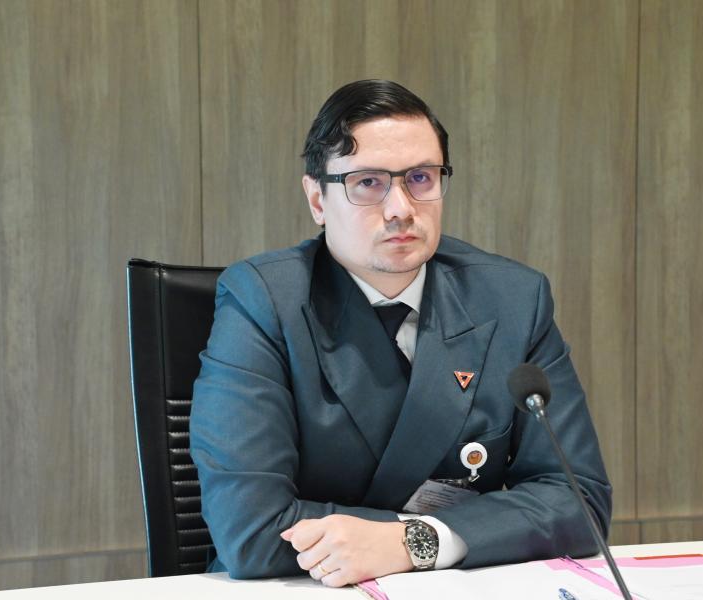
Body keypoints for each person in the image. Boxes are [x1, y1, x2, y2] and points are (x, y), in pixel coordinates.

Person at [189, 79, 611, 587]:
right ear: (318, 199)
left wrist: (414, 541)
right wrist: (473, 530)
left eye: (420, 178)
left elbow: (578, 503)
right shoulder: (265, 300)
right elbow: (250, 531)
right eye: (368, 182)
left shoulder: (513, 300)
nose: (400, 209)